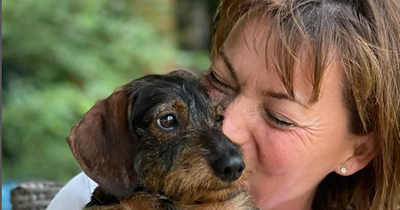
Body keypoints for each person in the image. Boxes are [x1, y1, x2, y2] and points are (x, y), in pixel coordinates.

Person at [47, 0, 400, 209]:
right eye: (219, 81)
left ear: (357, 153)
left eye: (279, 118)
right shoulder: (93, 191)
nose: (225, 128)